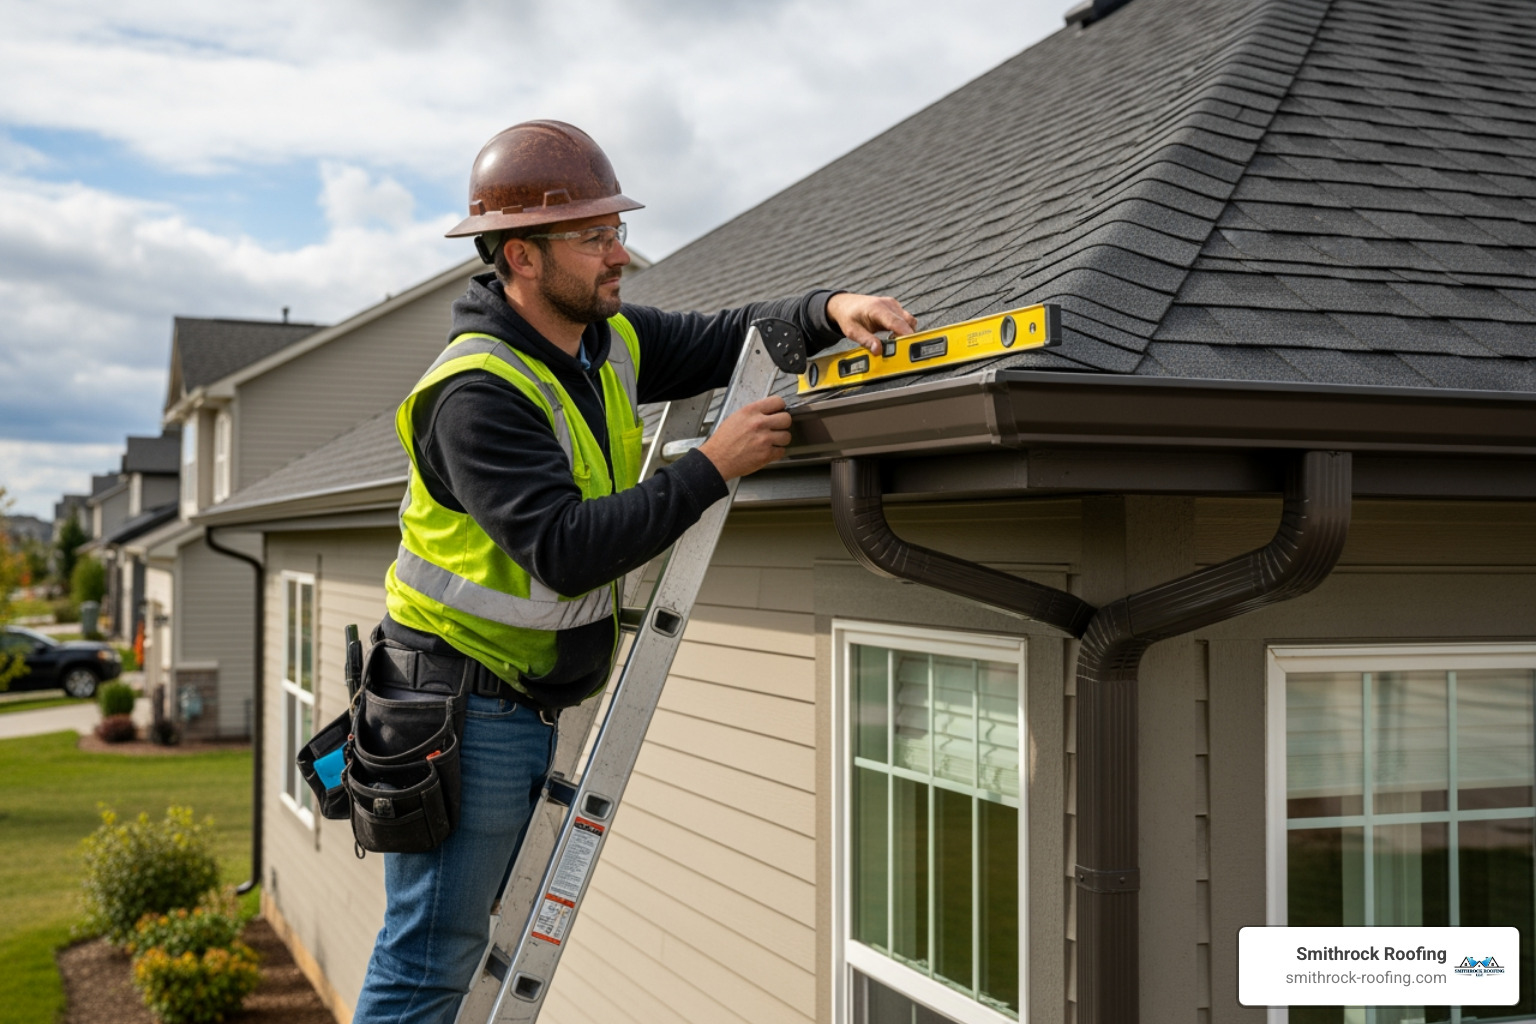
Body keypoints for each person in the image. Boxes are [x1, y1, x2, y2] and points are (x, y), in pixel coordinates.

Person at [352, 119, 915, 1023]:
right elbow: (567, 552)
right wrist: (712, 466)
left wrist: (829, 308)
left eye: (616, 229)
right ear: (523, 258)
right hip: (461, 711)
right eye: (595, 236)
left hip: (519, 703)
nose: (620, 253)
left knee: (451, 962)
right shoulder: (476, 393)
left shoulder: (599, 342)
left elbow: (725, 337)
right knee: (426, 968)